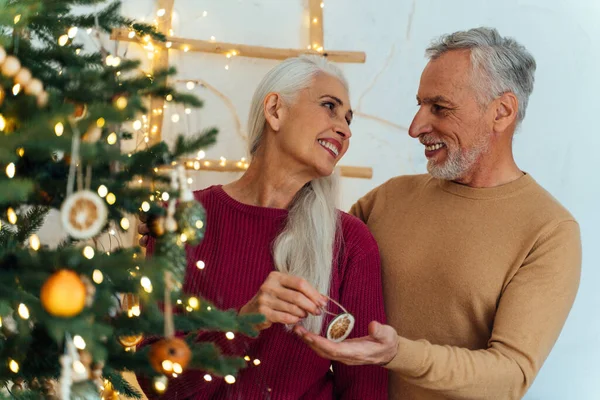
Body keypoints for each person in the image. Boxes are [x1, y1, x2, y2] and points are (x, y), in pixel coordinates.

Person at [294, 27, 582, 400]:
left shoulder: (549, 231)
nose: (416, 128)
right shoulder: (389, 198)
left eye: (439, 108)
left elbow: (510, 375)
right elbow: (308, 269)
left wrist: (399, 353)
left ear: (502, 111)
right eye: (420, 105)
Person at [138, 55, 387, 399]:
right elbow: (156, 379)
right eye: (329, 106)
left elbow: (365, 389)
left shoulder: (351, 242)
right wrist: (241, 325)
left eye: (348, 119)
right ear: (275, 110)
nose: (344, 129)